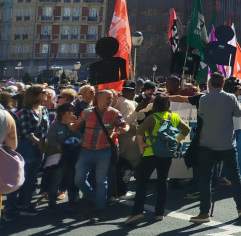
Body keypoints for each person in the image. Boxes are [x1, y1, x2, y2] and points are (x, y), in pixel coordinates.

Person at [190, 72, 241, 223]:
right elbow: (238, 113)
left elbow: (202, 114)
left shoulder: (203, 98)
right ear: (223, 83)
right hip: (227, 143)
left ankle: (204, 212)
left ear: (210, 84)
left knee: (205, 178)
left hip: (207, 143)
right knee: (235, 176)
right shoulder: (230, 97)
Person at [125, 94, 190, 225]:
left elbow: (139, 130)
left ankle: (137, 211)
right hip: (166, 154)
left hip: (151, 153)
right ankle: (159, 213)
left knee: (142, 182)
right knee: (162, 182)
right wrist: (175, 141)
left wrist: (141, 144)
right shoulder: (174, 117)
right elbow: (186, 129)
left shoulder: (152, 117)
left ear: (155, 105)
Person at [74, 88, 128, 222]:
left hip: (103, 151)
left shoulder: (114, 113)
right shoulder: (86, 112)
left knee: (101, 181)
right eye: (108, 98)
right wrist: (69, 123)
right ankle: (94, 198)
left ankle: (99, 209)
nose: (111, 101)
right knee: (79, 179)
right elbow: (75, 127)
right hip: (86, 150)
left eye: (111, 98)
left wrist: (123, 129)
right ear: (98, 99)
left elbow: (124, 124)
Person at [7, 85, 50, 217]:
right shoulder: (26, 111)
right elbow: (26, 132)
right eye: (43, 92)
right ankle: (11, 207)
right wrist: (39, 143)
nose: (46, 94)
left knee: (31, 178)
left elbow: (46, 129)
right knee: (20, 177)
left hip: (40, 147)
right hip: (28, 147)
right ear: (36, 95)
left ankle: (25, 204)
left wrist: (44, 143)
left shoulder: (43, 109)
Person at [45, 102, 81, 210]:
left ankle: (73, 199)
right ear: (62, 113)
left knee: (71, 179)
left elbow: (78, 136)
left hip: (71, 157)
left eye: (72, 111)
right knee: (55, 180)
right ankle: (52, 202)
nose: (71, 113)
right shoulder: (55, 125)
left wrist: (72, 126)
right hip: (58, 156)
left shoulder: (73, 124)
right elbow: (51, 140)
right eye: (69, 111)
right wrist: (60, 147)